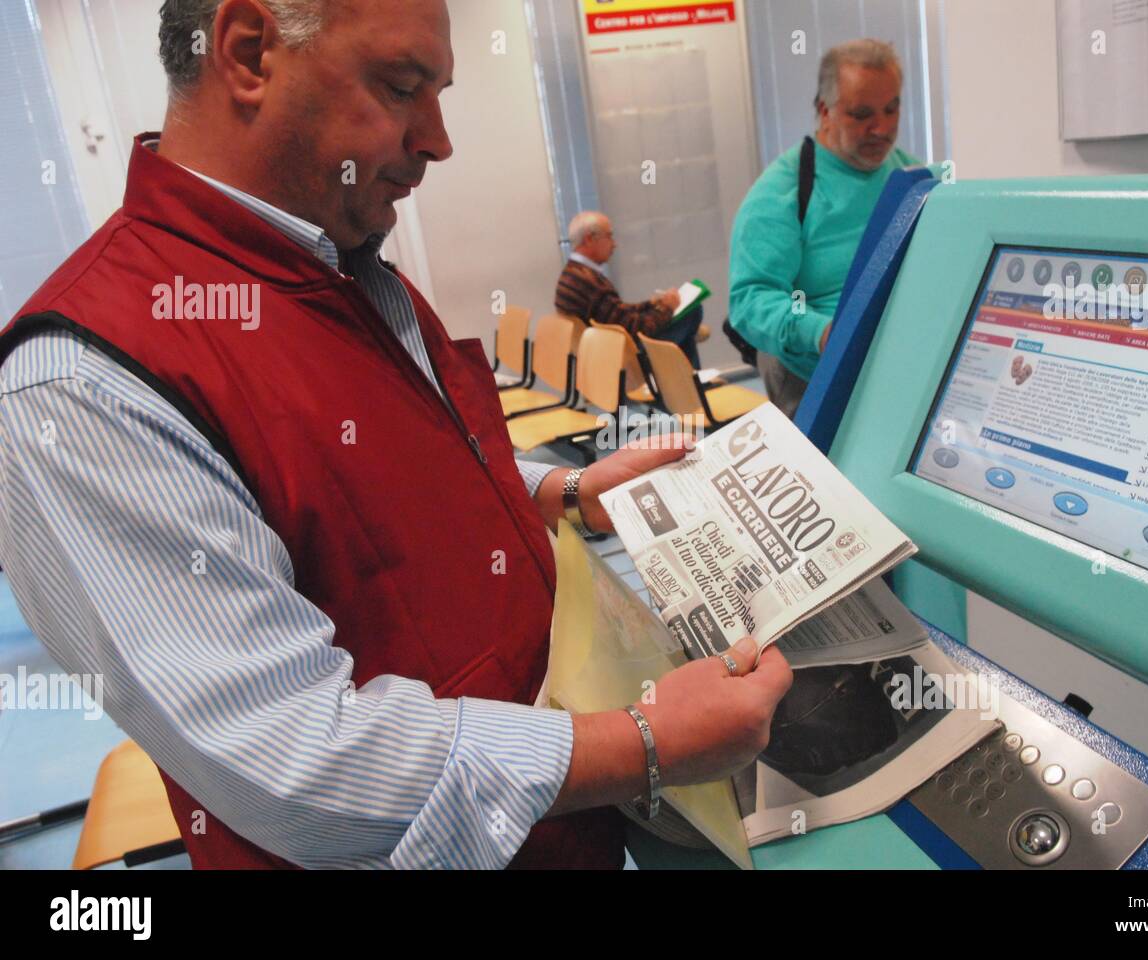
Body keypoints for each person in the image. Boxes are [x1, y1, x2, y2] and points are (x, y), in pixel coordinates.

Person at [0, 0, 790, 870]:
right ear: (249, 51)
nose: (439, 139)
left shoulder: (343, 269)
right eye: (403, 87)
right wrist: (643, 743)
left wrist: (557, 490)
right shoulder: (82, 386)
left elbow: (379, 474)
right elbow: (301, 764)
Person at [729, 39, 922, 418]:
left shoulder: (913, 177)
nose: (881, 127)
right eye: (862, 113)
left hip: (897, 370)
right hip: (813, 376)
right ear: (825, 110)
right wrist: (821, 332)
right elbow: (750, 299)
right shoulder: (782, 193)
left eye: (892, 108)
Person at [557, 211, 706, 368]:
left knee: (686, 337)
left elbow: (617, 312)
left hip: (601, 352)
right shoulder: (590, 282)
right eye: (609, 236)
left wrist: (651, 304)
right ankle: (692, 386)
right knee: (692, 312)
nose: (614, 244)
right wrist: (667, 308)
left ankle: (691, 385)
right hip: (624, 358)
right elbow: (636, 328)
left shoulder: (573, 274)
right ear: (589, 239)